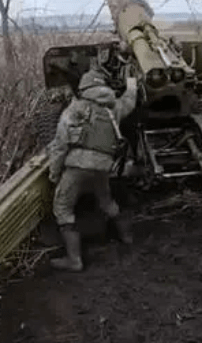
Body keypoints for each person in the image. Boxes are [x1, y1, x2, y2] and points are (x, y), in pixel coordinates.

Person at [47, 65, 137, 272]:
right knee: (106, 200)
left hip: (78, 165)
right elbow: (130, 100)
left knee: (62, 207)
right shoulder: (113, 107)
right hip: (104, 165)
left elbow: (60, 145)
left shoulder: (75, 109)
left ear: (83, 88)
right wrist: (132, 83)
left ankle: (74, 260)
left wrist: (54, 173)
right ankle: (127, 237)